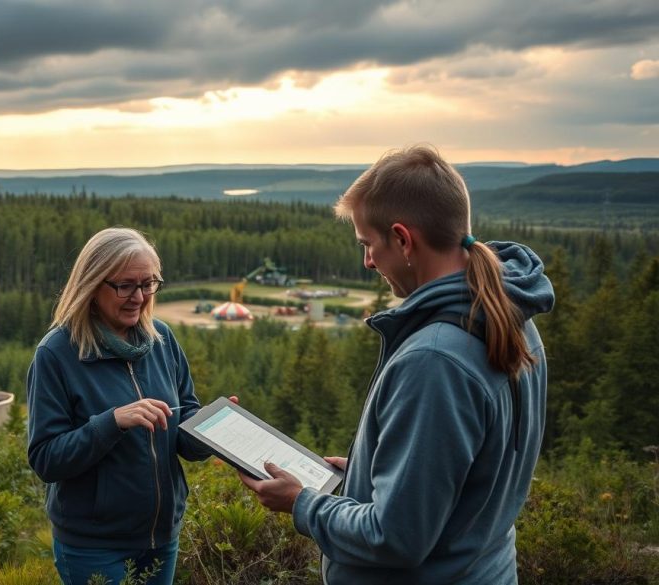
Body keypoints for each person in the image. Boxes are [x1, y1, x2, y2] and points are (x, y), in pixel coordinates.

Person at [239, 145, 554, 584]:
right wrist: (370, 475)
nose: (367, 261)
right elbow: (474, 477)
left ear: (404, 240)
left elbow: (395, 539)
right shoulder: (510, 317)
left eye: (368, 244)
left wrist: (303, 502)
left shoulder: (435, 361)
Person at [27, 227, 214, 585]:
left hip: (162, 538)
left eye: (148, 284)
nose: (139, 297)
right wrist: (112, 422)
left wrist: (209, 430)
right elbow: (46, 459)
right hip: (93, 547)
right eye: (126, 285)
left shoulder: (162, 340)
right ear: (93, 285)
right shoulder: (57, 353)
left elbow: (183, 419)